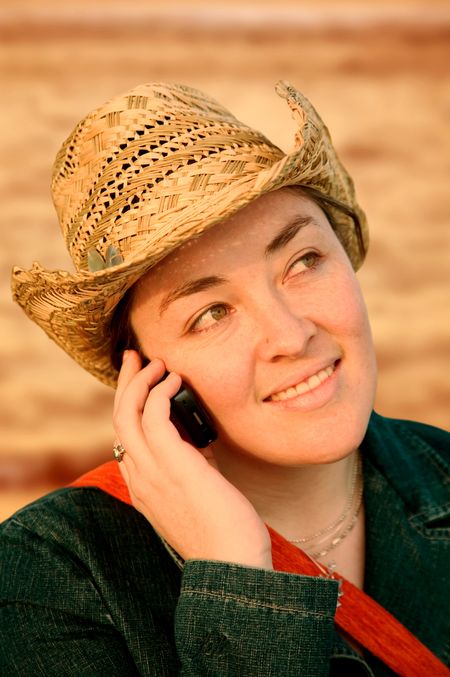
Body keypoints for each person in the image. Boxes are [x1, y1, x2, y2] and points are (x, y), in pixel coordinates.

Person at [1, 81, 449, 676]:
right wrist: (238, 584)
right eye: (210, 314)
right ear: (145, 374)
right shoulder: (51, 572)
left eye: (303, 261)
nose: (291, 336)